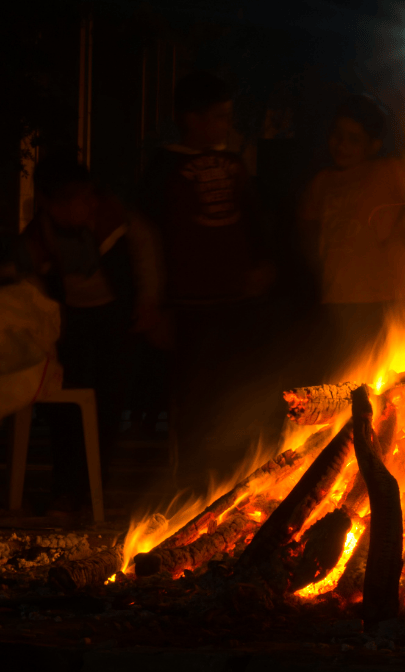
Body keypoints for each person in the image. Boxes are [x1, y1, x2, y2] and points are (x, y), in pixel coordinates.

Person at [135, 71, 270, 473]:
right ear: (192, 119)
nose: (226, 125)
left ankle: (234, 474)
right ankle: (192, 481)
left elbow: (252, 217)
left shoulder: (233, 163)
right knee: (193, 395)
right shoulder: (165, 166)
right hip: (189, 300)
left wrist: (260, 263)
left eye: (228, 117)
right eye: (219, 117)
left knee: (237, 390)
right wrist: (151, 298)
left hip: (235, 298)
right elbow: (146, 231)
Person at [20, 158, 158, 516]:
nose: (84, 205)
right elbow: (29, 281)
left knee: (108, 405)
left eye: (86, 196)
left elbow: (146, 259)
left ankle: (93, 488)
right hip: (70, 323)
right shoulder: (39, 236)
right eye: (71, 199)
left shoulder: (117, 219)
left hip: (115, 317)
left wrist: (146, 302)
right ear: (50, 203)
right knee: (64, 406)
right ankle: (64, 489)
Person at [298, 94, 405, 376]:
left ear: (374, 145)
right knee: (345, 373)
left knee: (383, 372)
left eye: (354, 139)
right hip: (338, 298)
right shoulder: (323, 182)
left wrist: (403, 225)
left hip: (386, 297)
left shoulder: (391, 171)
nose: (342, 145)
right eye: (338, 136)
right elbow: (306, 227)